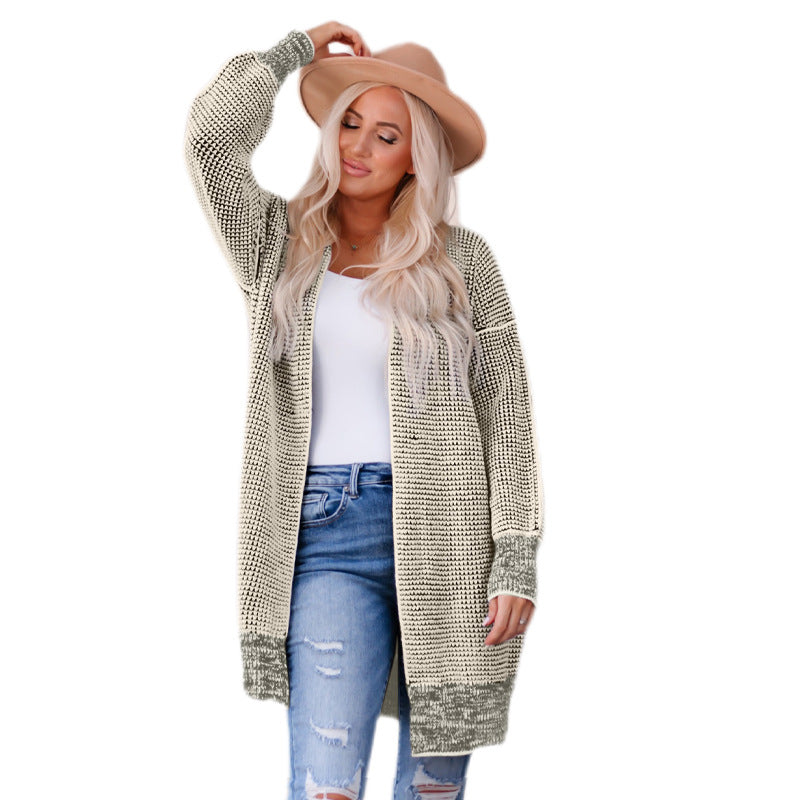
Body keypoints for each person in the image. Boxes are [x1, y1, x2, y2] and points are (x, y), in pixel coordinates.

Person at [183, 20, 545, 800]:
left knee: (430, 789)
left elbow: (507, 412)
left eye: (386, 135)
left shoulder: (462, 261)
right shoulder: (277, 244)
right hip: (325, 538)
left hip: (454, 541)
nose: (358, 147)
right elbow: (210, 142)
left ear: (418, 156)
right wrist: (291, 53)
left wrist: (516, 554)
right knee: (327, 786)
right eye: (349, 123)